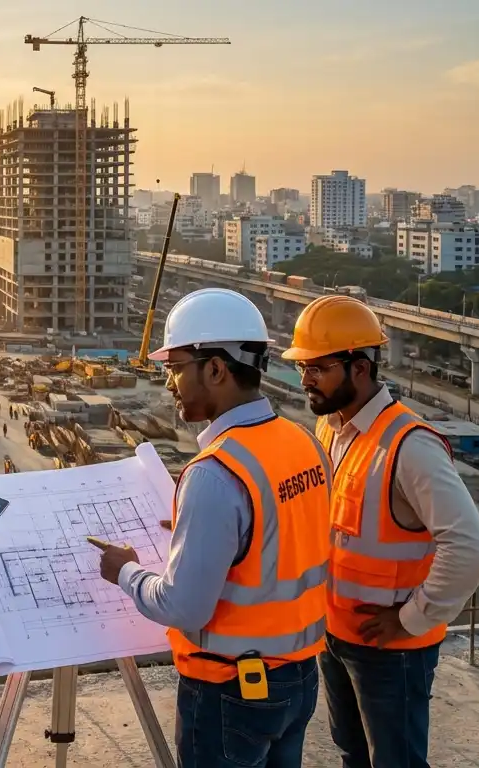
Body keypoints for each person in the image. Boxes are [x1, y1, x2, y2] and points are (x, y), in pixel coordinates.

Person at [90, 288, 331, 768]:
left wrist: (126, 572)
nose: (169, 384)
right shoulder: (301, 442)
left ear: (216, 369)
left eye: (175, 368)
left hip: (230, 692)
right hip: (299, 678)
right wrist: (203, 530)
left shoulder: (214, 473)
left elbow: (185, 607)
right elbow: (275, 535)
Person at [281, 295, 479, 768]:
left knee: (395, 761)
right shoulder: (330, 429)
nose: (305, 379)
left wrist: (412, 618)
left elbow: (471, 546)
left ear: (360, 367)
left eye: (318, 367)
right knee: (352, 754)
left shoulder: (408, 445)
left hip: (391, 649)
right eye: (303, 367)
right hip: (335, 635)